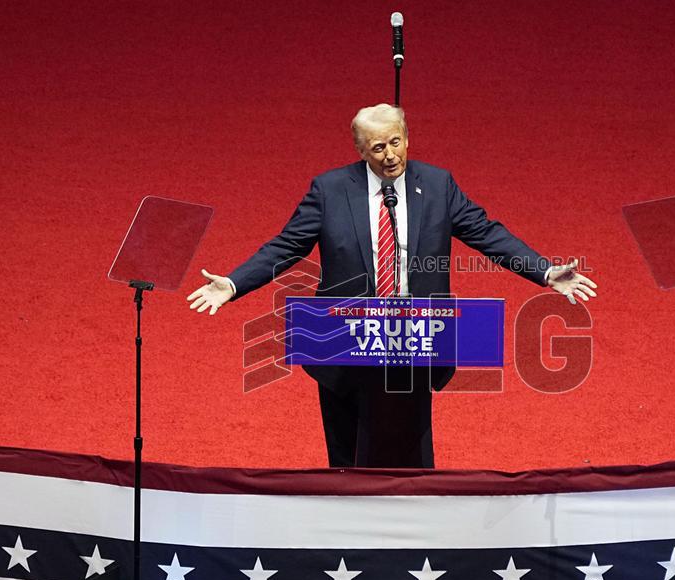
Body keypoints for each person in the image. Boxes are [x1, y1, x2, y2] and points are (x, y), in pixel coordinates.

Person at [187, 104, 597, 469]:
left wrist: (544, 272)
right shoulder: (329, 190)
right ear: (361, 151)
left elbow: (486, 233)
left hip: (413, 334)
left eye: (396, 142)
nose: (390, 155)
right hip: (344, 336)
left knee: (410, 448)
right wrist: (234, 283)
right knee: (347, 454)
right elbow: (288, 244)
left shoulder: (437, 185)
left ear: (408, 139)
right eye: (378, 147)